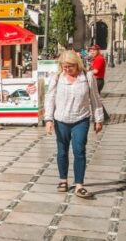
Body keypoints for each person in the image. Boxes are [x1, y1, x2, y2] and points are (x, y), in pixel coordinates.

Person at [44, 50, 103, 199]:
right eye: (64, 67)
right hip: (61, 120)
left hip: (81, 119)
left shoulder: (88, 77)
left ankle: (79, 185)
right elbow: (50, 98)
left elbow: (95, 98)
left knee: (79, 150)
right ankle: (63, 180)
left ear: (77, 65)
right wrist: (48, 119)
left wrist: (98, 119)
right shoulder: (57, 78)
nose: (67, 69)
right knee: (62, 151)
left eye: (70, 66)